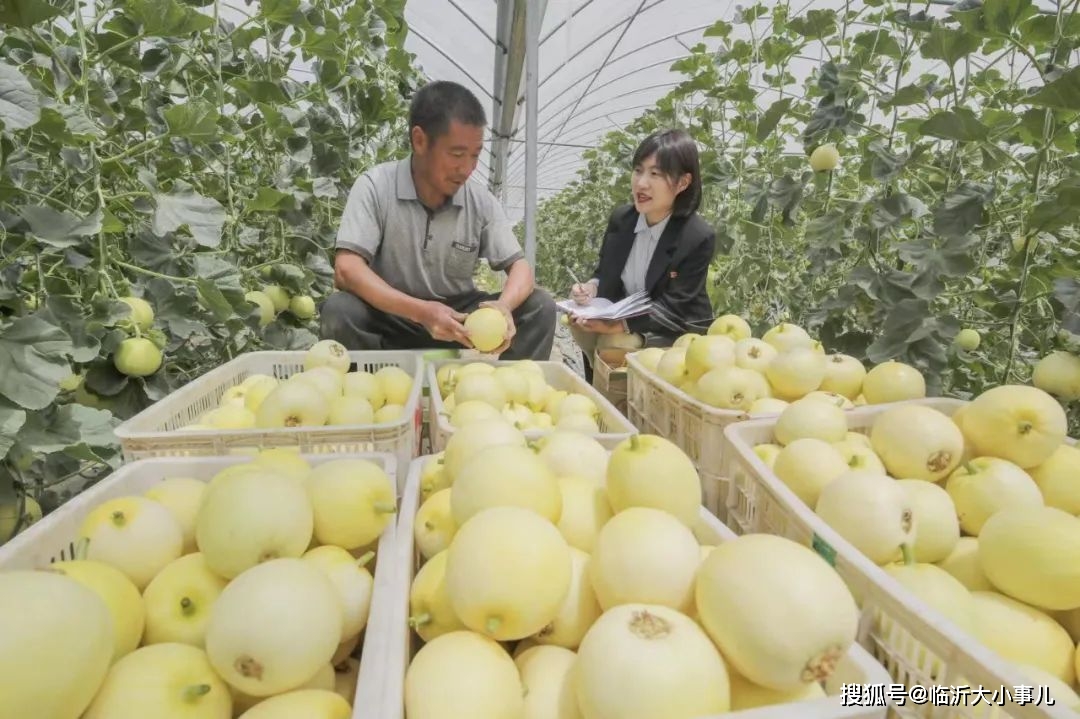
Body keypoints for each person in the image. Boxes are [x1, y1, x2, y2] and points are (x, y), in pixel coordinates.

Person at [320, 80, 556, 360]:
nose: (467, 169)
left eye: (475, 155)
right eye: (456, 154)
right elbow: (346, 269)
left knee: (540, 306)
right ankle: (367, 392)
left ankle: (509, 396)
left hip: (459, 322)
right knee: (340, 310)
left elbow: (520, 267)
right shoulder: (375, 186)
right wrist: (420, 312)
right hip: (392, 313)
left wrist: (503, 307)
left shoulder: (479, 201)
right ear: (419, 140)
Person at [568, 128, 715, 382]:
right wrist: (591, 289)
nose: (641, 183)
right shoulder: (622, 220)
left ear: (682, 183)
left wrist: (618, 325)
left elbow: (674, 306)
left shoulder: (696, 237)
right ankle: (604, 387)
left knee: (614, 340)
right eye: (638, 170)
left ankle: (616, 399)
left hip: (672, 328)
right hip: (626, 318)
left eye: (655, 173)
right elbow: (604, 273)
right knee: (578, 325)